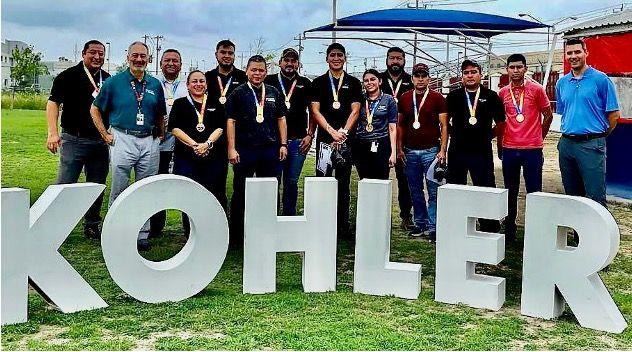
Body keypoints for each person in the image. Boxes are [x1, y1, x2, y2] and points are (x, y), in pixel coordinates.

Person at [91, 41, 166, 251]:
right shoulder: (114, 82)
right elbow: (95, 109)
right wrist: (105, 135)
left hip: (148, 139)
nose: (139, 59)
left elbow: (161, 113)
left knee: (145, 189)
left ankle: (142, 233)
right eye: (135, 55)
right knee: (119, 187)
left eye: (143, 56)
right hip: (122, 137)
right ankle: (116, 231)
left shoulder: (154, 84)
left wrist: (160, 134)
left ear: (149, 59)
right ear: (128, 57)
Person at [46, 39, 111, 240]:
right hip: (73, 139)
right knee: (65, 185)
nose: (97, 57)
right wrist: (52, 133)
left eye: (101, 53)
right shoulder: (68, 76)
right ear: (83, 53)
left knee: (96, 186)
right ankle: (52, 226)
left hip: (99, 142)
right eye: (93, 52)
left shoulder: (108, 80)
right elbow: (52, 104)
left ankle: (91, 225)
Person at [226, 55, 288, 249]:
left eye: (261, 70)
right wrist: (231, 148)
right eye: (254, 70)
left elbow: (281, 119)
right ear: (247, 71)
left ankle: (270, 233)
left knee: (269, 191)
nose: (257, 73)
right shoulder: (237, 93)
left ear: (266, 72)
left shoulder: (273, 92)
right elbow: (231, 121)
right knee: (240, 192)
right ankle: (237, 236)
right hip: (245, 150)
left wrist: (283, 144)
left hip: (269, 149)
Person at [556, 38, 620, 207]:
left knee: (595, 198)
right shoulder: (561, 83)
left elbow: (614, 115)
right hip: (566, 145)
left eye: (577, 52)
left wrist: (597, 136)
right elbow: (564, 112)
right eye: (569, 53)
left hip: (591, 145)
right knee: (573, 197)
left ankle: (597, 234)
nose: (573, 56)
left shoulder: (600, 80)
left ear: (586, 53)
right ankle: (578, 234)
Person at [498, 53, 553, 241]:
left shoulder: (537, 90)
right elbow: (500, 122)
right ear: (507, 70)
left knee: (534, 191)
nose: (515, 71)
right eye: (512, 67)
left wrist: (539, 136)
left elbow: (548, 115)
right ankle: (510, 226)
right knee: (510, 190)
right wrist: (500, 144)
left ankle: (536, 228)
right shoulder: (503, 93)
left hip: (532, 150)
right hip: (510, 148)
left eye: (519, 67)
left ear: (525, 68)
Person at [310, 43, 363, 241]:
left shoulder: (354, 82)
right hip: (325, 141)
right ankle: (321, 224)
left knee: (343, 184)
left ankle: (342, 226)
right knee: (323, 182)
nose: (336, 58)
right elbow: (315, 111)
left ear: (345, 58)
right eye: (332, 55)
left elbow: (355, 110)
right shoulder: (318, 83)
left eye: (340, 55)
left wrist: (343, 132)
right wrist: (331, 132)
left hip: (345, 141)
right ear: (327, 58)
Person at [446, 59, 505, 233]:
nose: (470, 76)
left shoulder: (491, 96)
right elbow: (443, 120)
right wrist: (452, 133)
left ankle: (489, 226)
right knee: (456, 188)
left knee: (485, 187)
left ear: (481, 74)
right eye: (466, 73)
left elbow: (501, 122)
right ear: (462, 76)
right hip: (457, 150)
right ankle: (456, 225)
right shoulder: (454, 96)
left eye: (473, 72)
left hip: (481, 151)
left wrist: (488, 136)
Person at [168, 70, 227, 236]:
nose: (198, 84)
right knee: (190, 196)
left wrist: (207, 144)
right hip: (187, 158)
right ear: (187, 85)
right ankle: (191, 233)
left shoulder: (216, 103)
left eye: (202, 81)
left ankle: (215, 232)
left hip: (213, 158)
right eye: (194, 81)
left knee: (214, 194)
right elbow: (175, 128)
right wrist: (195, 145)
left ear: (206, 84)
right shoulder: (180, 104)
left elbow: (220, 128)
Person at [397, 63, 448, 243]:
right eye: (417, 76)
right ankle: (421, 223)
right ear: (412, 78)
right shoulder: (404, 98)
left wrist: (442, 150)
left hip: (431, 152)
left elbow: (444, 126)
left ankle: (434, 226)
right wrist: (399, 148)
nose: (420, 79)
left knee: (434, 191)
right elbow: (400, 125)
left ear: (429, 78)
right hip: (410, 153)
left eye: (423, 76)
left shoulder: (438, 98)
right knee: (415, 190)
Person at [264, 48, 314, 215]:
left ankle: (289, 216)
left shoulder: (306, 83)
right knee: (273, 181)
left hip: (298, 141)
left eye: (293, 61)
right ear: (280, 63)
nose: (290, 63)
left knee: (292, 182)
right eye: (287, 60)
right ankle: (272, 216)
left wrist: (310, 135)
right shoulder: (268, 81)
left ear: (298, 64)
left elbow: (313, 112)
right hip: (274, 142)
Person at [149, 48, 189, 238]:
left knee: (184, 185)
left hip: (182, 144)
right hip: (160, 143)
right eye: (167, 60)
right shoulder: (152, 84)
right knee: (158, 184)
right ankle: (156, 226)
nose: (171, 63)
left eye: (175, 60)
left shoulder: (186, 86)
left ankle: (188, 226)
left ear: (181, 65)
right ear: (160, 64)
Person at [380, 46, 414, 230]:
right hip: (380, 135)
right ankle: (380, 215)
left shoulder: (411, 80)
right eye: (392, 58)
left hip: (404, 137)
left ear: (404, 61)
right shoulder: (378, 79)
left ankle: (406, 215)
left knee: (404, 179)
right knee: (381, 178)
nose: (395, 61)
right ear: (387, 60)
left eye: (398, 58)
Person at [352, 68, 397, 180]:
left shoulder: (389, 100)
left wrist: (393, 152)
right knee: (364, 180)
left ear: (380, 81)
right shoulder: (360, 99)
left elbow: (392, 128)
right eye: (366, 80)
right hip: (362, 144)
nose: (369, 83)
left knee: (381, 181)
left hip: (382, 144)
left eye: (373, 79)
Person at [205, 39, 247, 106]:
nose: (227, 56)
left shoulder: (244, 77)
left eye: (230, 53)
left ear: (234, 56)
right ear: (216, 55)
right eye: (223, 52)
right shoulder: (208, 77)